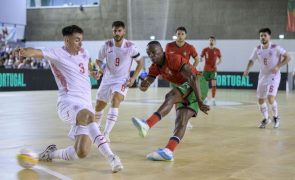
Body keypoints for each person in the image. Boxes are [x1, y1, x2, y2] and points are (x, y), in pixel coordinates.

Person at [15, 25, 123, 173]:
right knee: (89, 115)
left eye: (81, 40)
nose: (81, 44)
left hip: (85, 105)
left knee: (82, 152)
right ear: (67, 40)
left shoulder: (83, 52)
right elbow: (34, 52)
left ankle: (50, 154)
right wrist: (22, 51)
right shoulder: (57, 53)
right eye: (77, 40)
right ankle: (112, 158)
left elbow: (88, 66)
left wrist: (94, 72)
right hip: (68, 104)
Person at [131, 41, 209, 161]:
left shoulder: (173, 58)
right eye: (149, 53)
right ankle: (168, 151)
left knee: (171, 96)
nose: (152, 56)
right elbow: (148, 82)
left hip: (198, 83)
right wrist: (144, 85)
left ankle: (147, 125)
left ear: (162, 51)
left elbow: (192, 77)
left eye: (154, 52)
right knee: (181, 121)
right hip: (186, 88)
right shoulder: (154, 67)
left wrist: (199, 100)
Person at [94, 21, 144, 142]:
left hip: (122, 80)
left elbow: (141, 62)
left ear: (124, 31)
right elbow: (98, 61)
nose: (117, 33)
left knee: (115, 99)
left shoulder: (131, 47)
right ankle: (95, 129)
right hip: (107, 79)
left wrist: (133, 77)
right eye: (115, 31)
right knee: (99, 106)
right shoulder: (106, 45)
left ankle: (105, 134)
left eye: (119, 30)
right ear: (112, 31)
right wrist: (101, 69)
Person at [243, 28, 291, 128]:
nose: (263, 37)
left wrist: (278, 66)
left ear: (269, 36)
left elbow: (288, 57)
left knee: (270, 97)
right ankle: (266, 118)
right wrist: (247, 69)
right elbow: (251, 60)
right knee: (260, 100)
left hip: (274, 76)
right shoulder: (257, 49)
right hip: (263, 76)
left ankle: (276, 117)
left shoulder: (275, 47)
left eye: (265, 35)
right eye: (261, 35)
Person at [165, 26, 200, 128]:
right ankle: (179, 120)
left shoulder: (190, 47)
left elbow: (197, 59)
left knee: (186, 98)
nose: (180, 36)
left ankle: (185, 119)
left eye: (182, 34)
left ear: (185, 35)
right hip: (174, 77)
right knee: (176, 98)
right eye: (178, 34)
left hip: (186, 77)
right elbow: (166, 60)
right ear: (176, 35)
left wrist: (192, 69)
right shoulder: (169, 46)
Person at [200, 36, 222, 106]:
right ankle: (205, 98)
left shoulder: (217, 50)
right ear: (208, 41)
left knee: (214, 84)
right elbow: (201, 57)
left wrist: (217, 64)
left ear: (215, 42)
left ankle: (213, 99)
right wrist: (200, 59)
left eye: (212, 40)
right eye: (210, 40)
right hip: (206, 70)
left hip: (213, 70)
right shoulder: (205, 50)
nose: (211, 41)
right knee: (205, 85)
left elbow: (220, 60)